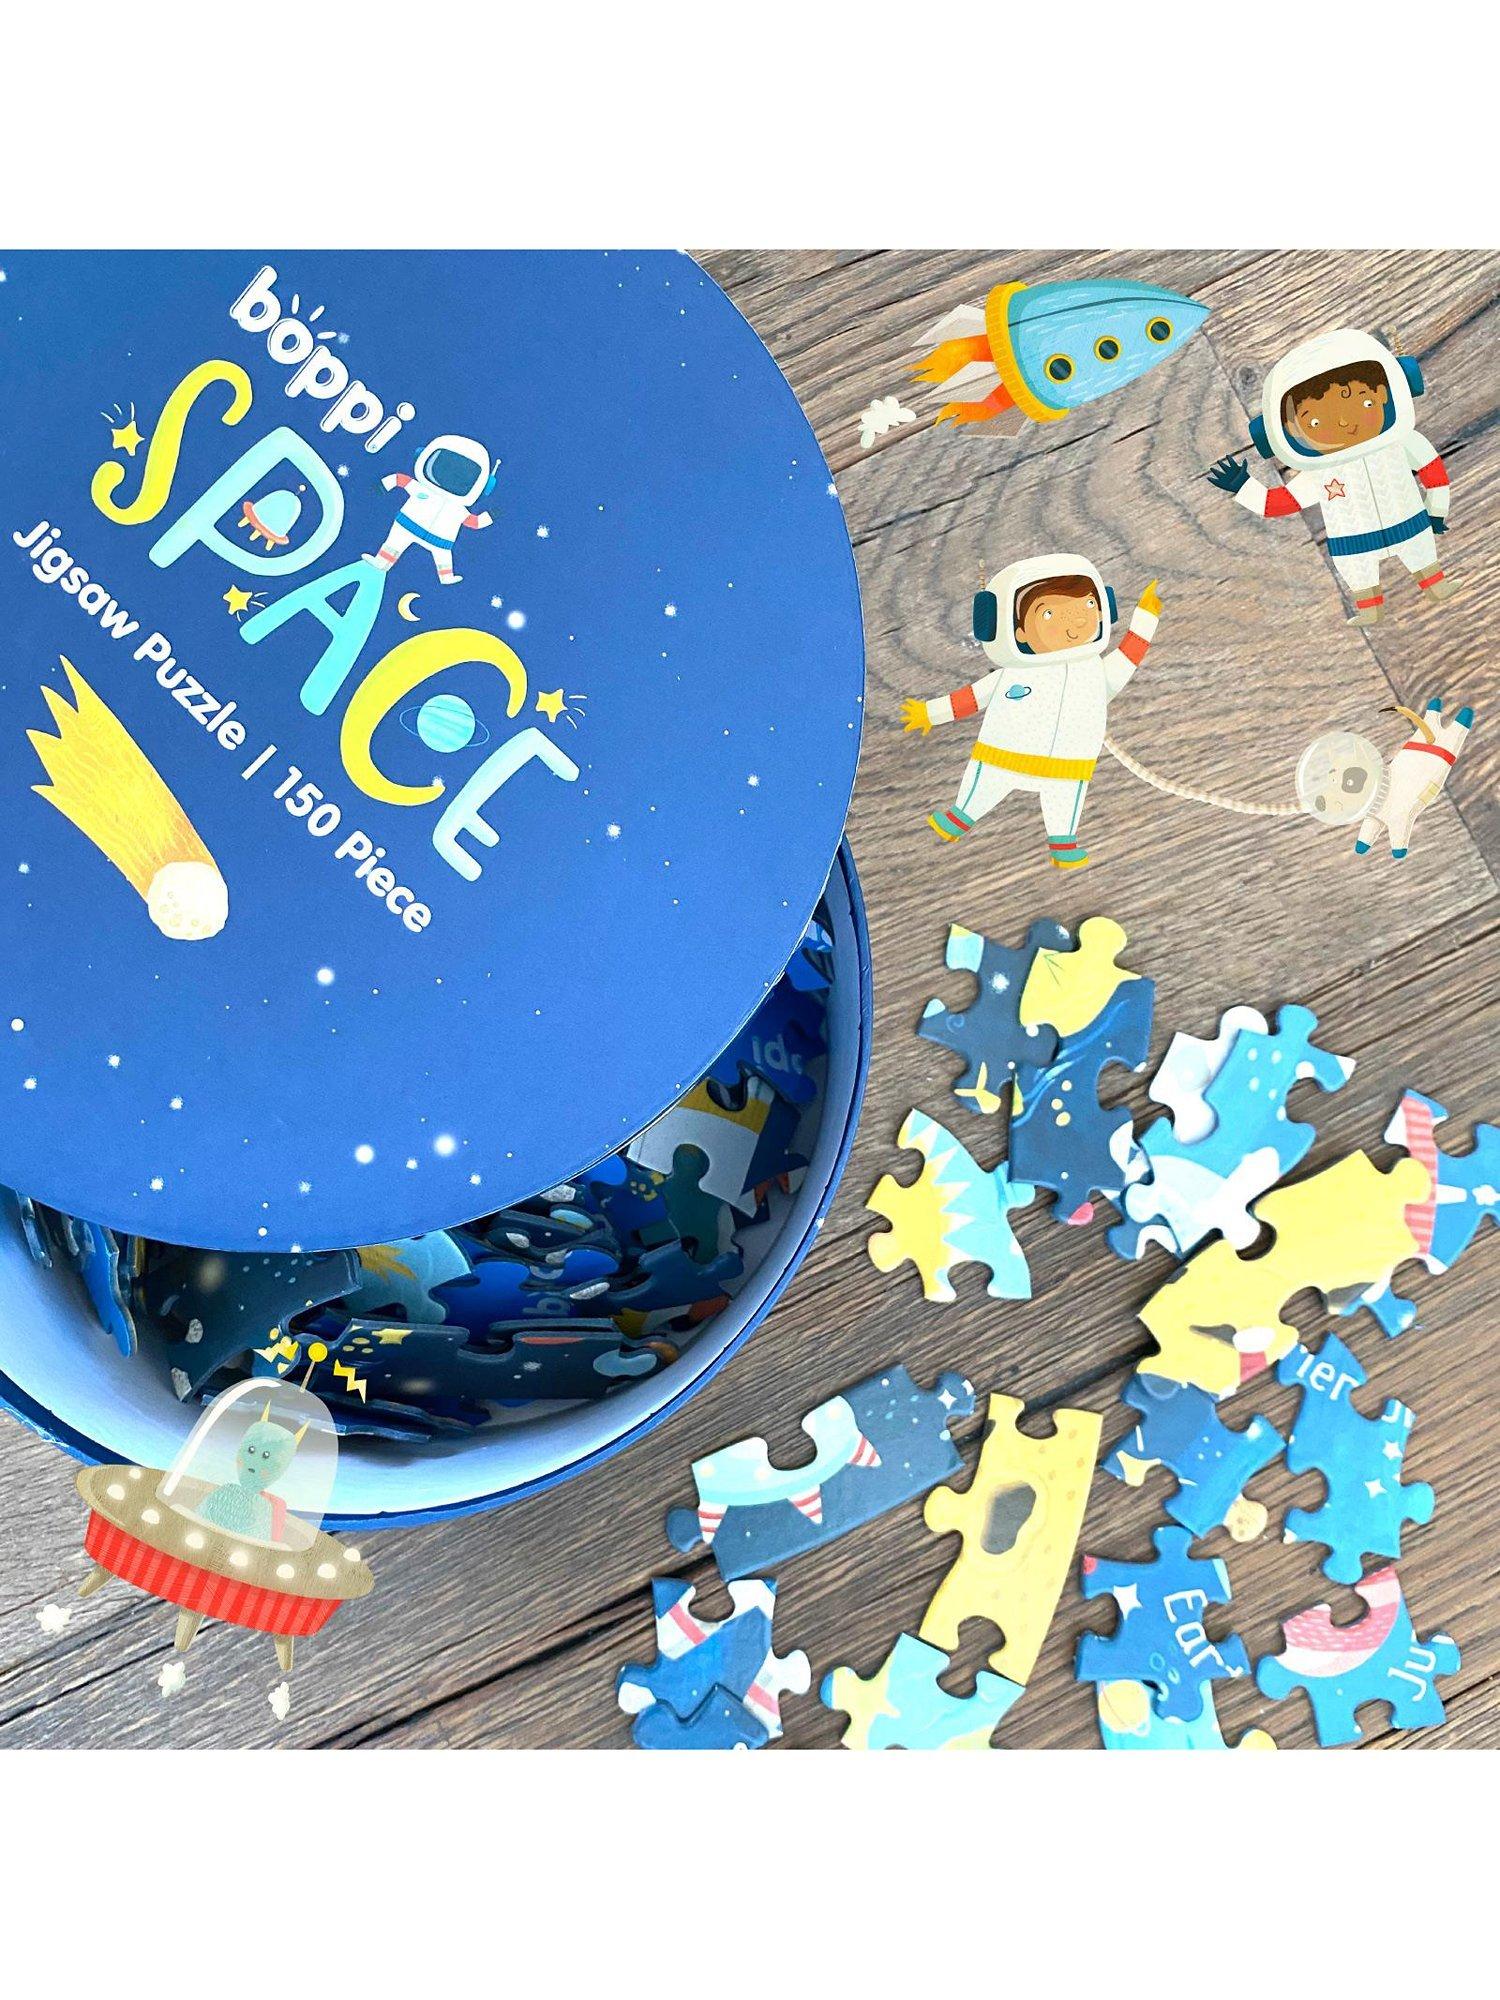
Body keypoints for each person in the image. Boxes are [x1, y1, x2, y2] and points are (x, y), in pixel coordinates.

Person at [902, 556, 1161, 869]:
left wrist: (1146, 617)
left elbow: (1128, 657)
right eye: (1049, 613)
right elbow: (972, 697)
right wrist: (930, 713)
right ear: (1016, 631)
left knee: (1064, 799)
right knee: (986, 785)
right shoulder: (1014, 673)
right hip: (1003, 756)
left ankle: (1063, 841)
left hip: (1069, 764)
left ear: (1105, 609)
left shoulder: (1094, 672)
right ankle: (960, 816)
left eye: (1089, 605)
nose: (1076, 621)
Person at [1209, 330, 1457, 626]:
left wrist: (1436, 511)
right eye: (1316, 421)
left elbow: (1435, 477)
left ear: (1385, 392)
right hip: (1358, 542)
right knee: (1360, 573)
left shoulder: (1402, 443)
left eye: (1363, 404)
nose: (1344, 423)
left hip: (1408, 526)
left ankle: (1433, 585)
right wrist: (1243, 487)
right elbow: (1276, 503)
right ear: (1283, 431)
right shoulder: (1320, 474)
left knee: (1421, 557)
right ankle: (1370, 608)